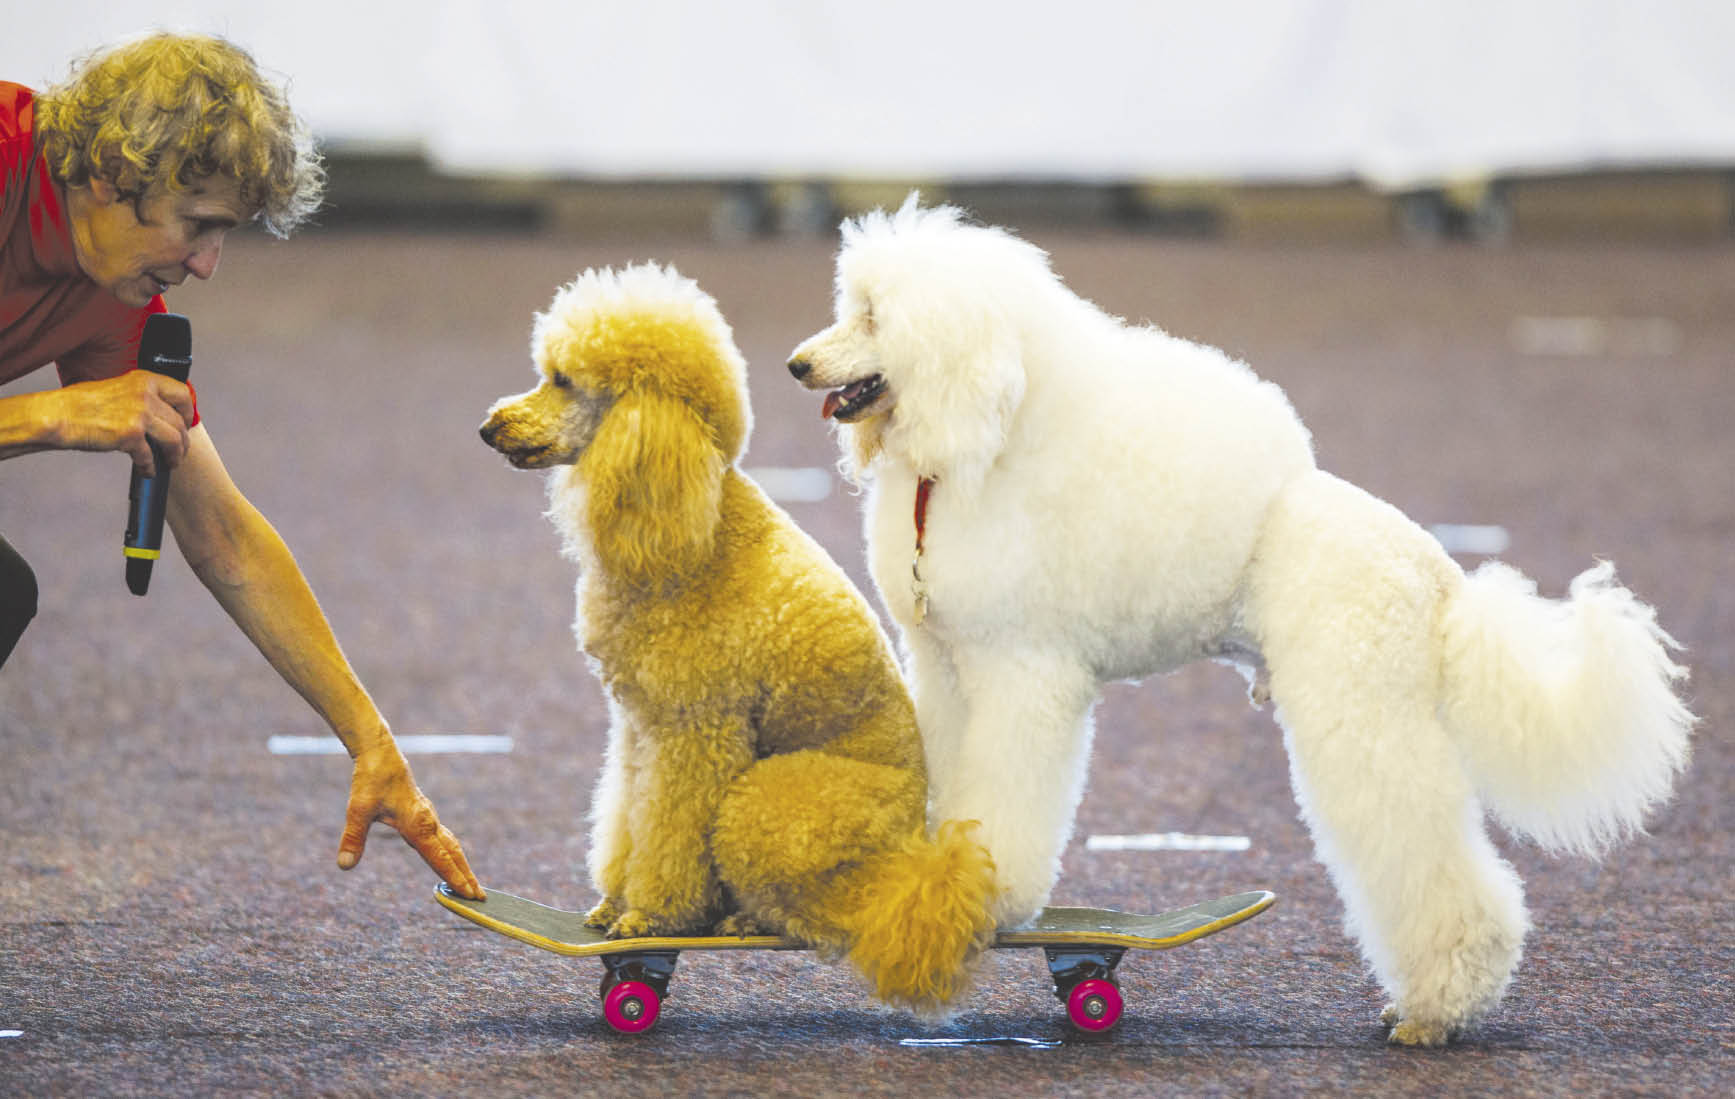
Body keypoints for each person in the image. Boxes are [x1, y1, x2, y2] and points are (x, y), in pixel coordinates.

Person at [1, 32, 483, 900]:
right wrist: (53, 412)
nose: (207, 266)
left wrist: (371, 742)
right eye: (200, 226)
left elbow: (221, 531)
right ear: (113, 176)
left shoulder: (113, 295)